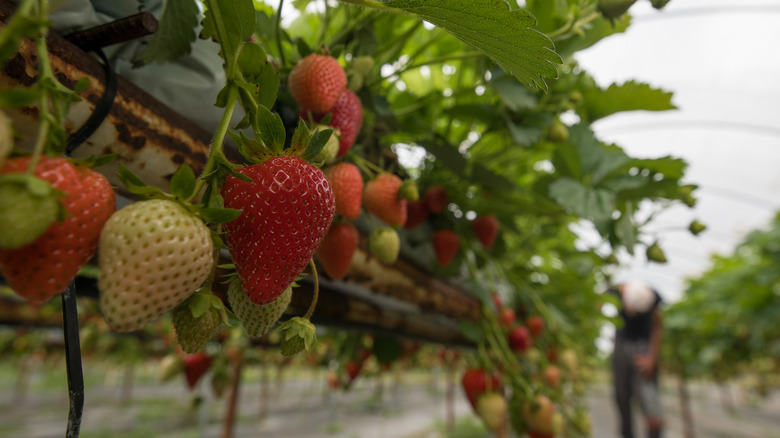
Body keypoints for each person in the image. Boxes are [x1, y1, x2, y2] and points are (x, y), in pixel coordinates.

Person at [609, 281, 664, 438]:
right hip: (621, 343)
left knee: (648, 393)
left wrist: (652, 359)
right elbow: (597, 304)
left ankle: (655, 432)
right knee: (621, 395)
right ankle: (627, 434)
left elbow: (658, 326)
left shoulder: (653, 297)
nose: (632, 315)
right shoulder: (615, 291)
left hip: (644, 345)